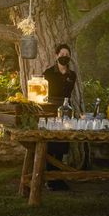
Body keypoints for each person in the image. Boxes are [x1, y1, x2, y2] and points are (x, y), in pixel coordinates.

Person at [42, 43, 77, 191]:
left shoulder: (72, 75)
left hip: (66, 111)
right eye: (61, 55)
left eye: (67, 55)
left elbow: (68, 94)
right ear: (56, 56)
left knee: (62, 144)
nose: (64, 57)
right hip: (50, 111)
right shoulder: (48, 73)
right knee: (51, 144)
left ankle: (58, 178)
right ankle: (50, 180)